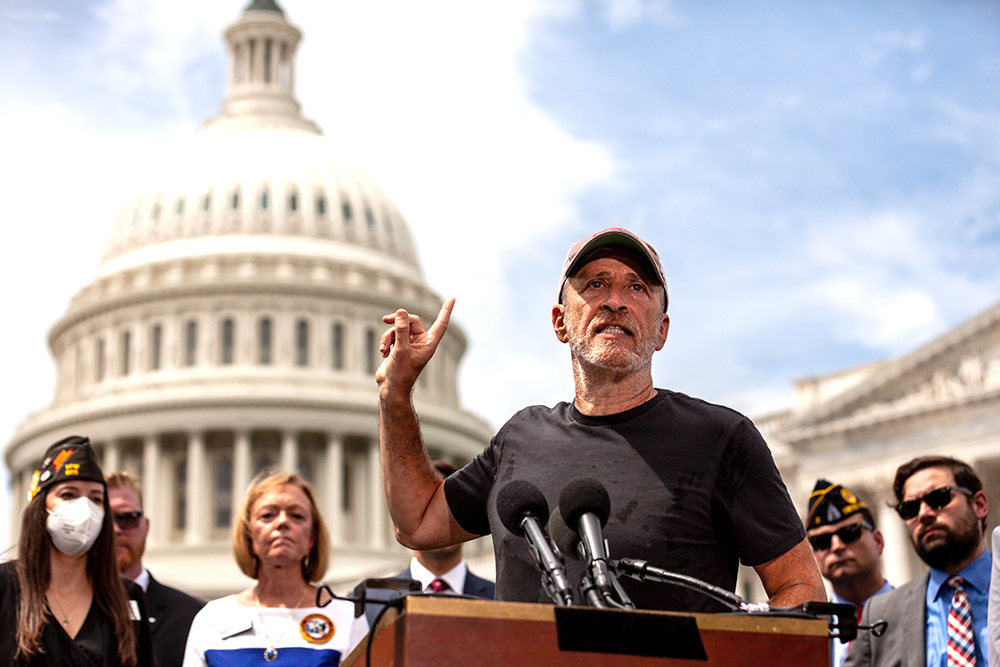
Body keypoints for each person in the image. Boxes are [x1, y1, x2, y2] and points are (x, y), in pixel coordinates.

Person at [375, 227, 826, 612]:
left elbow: (801, 589)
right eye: (594, 284)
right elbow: (417, 522)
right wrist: (396, 394)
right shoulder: (519, 438)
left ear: (663, 329)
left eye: (637, 288)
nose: (615, 301)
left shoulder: (721, 438)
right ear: (560, 322)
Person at [182, 470, 367, 666]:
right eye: (268, 515)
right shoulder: (213, 617)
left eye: (296, 516)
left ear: (311, 539)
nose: (282, 522)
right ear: (249, 536)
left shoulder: (346, 616)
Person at [0, 435, 153, 666]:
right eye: (68, 495)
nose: (85, 509)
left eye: (96, 498)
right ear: (41, 505)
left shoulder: (126, 597)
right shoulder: (5, 587)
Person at [845, 455, 991, 667]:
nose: (924, 514)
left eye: (939, 498)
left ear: (979, 505)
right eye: (910, 509)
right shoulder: (880, 615)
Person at [363, 461, 495, 627]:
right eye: (429, 509)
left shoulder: (499, 599)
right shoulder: (369, 603)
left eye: (450, 508)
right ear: (403, 519)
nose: (439, 520)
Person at [106, 471, 205, 667]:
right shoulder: (69, 613)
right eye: (104, 520)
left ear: (146, 526)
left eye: (127, 518)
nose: (116, 529)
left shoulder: (192, 616)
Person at [806, 479, 893, 667]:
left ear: (878, 541)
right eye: (822, 542)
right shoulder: (808, 633)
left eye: (850, 533)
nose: (837, 546)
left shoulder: (919, 612)